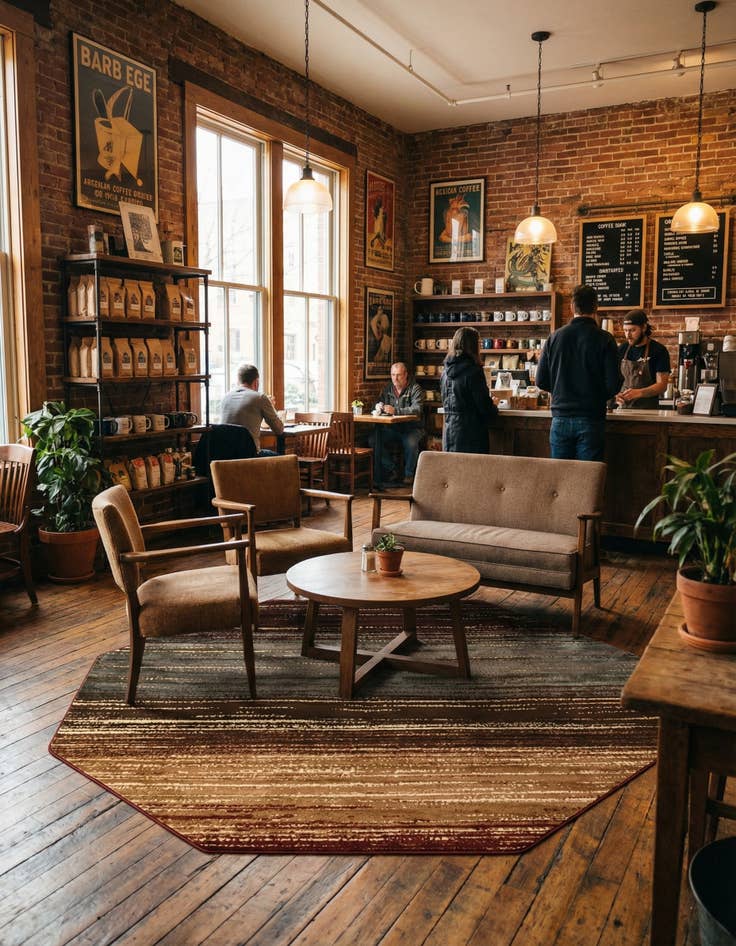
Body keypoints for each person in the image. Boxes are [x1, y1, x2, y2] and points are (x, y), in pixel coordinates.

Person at [536, 284, 622, 462]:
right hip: (591, 418)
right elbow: (613, 385)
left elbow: (541, 380)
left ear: (572, 307)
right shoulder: (605, 339)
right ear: (596, 307)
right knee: (588, 480)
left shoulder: (554, 337)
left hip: (560, 418)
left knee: (559, 482)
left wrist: (562, 390)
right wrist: (596, 395)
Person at [441, 326, 498, 453]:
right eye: (479, 343)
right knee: (474, 472)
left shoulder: (445, 372)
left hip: (449, 431)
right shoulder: (473, 371)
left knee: (453, 471)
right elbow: (484, 408)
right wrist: (493, 405)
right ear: (473, 346)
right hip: (471, 434)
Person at [371, 362, 424, 485]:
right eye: (393, 375)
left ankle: (409, 475)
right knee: (374, 439)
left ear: (406, 375)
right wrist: (379, 407)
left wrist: (396, 411)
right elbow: (380, 403)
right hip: (393, 429)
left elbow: (417, 409)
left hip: (412, 428)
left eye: (399, 375)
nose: (395, 378)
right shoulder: (388, 389)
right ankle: (392, 469)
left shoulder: (415, 389)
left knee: (410, 443)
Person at [219, 363, 284, 456]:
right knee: (283, 460)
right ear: (256, 382)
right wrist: (271, 406)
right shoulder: (260, 398)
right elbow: (279, 430)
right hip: (250, 455)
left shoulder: (225, 397)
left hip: (225, 456)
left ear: (239, 381)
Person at [615, 309, 671, 409]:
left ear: (644, 327)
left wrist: (639, 393)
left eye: (632, 330)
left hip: (648, 412)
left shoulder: (659, 350)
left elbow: (662, 385)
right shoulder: (621, 349)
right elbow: (612, 378)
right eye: (625, 330)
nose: (628, 335)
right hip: (622, 410)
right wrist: (615, 394)